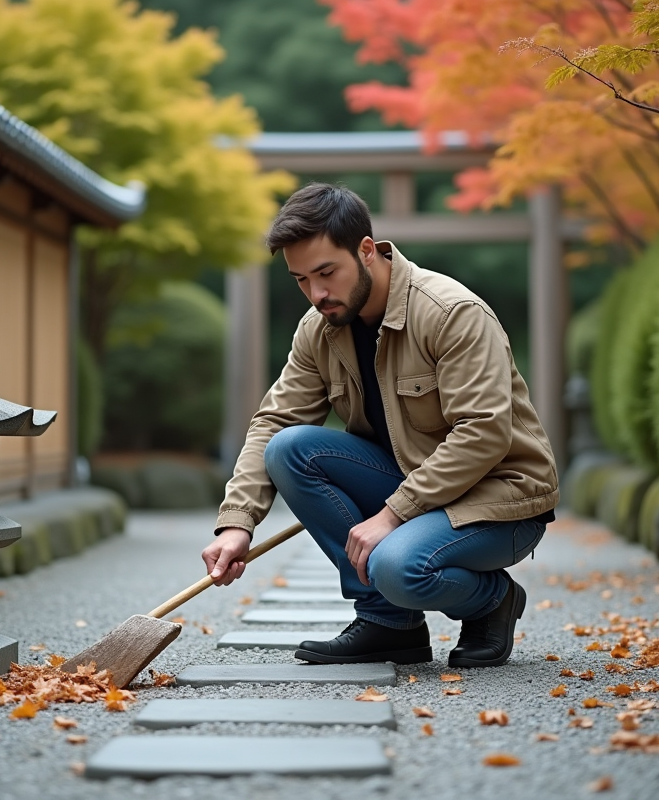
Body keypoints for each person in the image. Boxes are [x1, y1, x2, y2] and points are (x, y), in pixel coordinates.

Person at [201, 183, 559, 667]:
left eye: (327, 272)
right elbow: (275, 420)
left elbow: (482, 433)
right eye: (301, 279)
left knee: (396, 566)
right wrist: (236, 524)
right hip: (413, 486)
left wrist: (392, 516)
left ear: (367, 251)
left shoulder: (452, 313)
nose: (317, 293)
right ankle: (388, 624)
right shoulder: (319, 327)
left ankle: (493, 601)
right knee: (288, 447)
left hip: (499, 498)